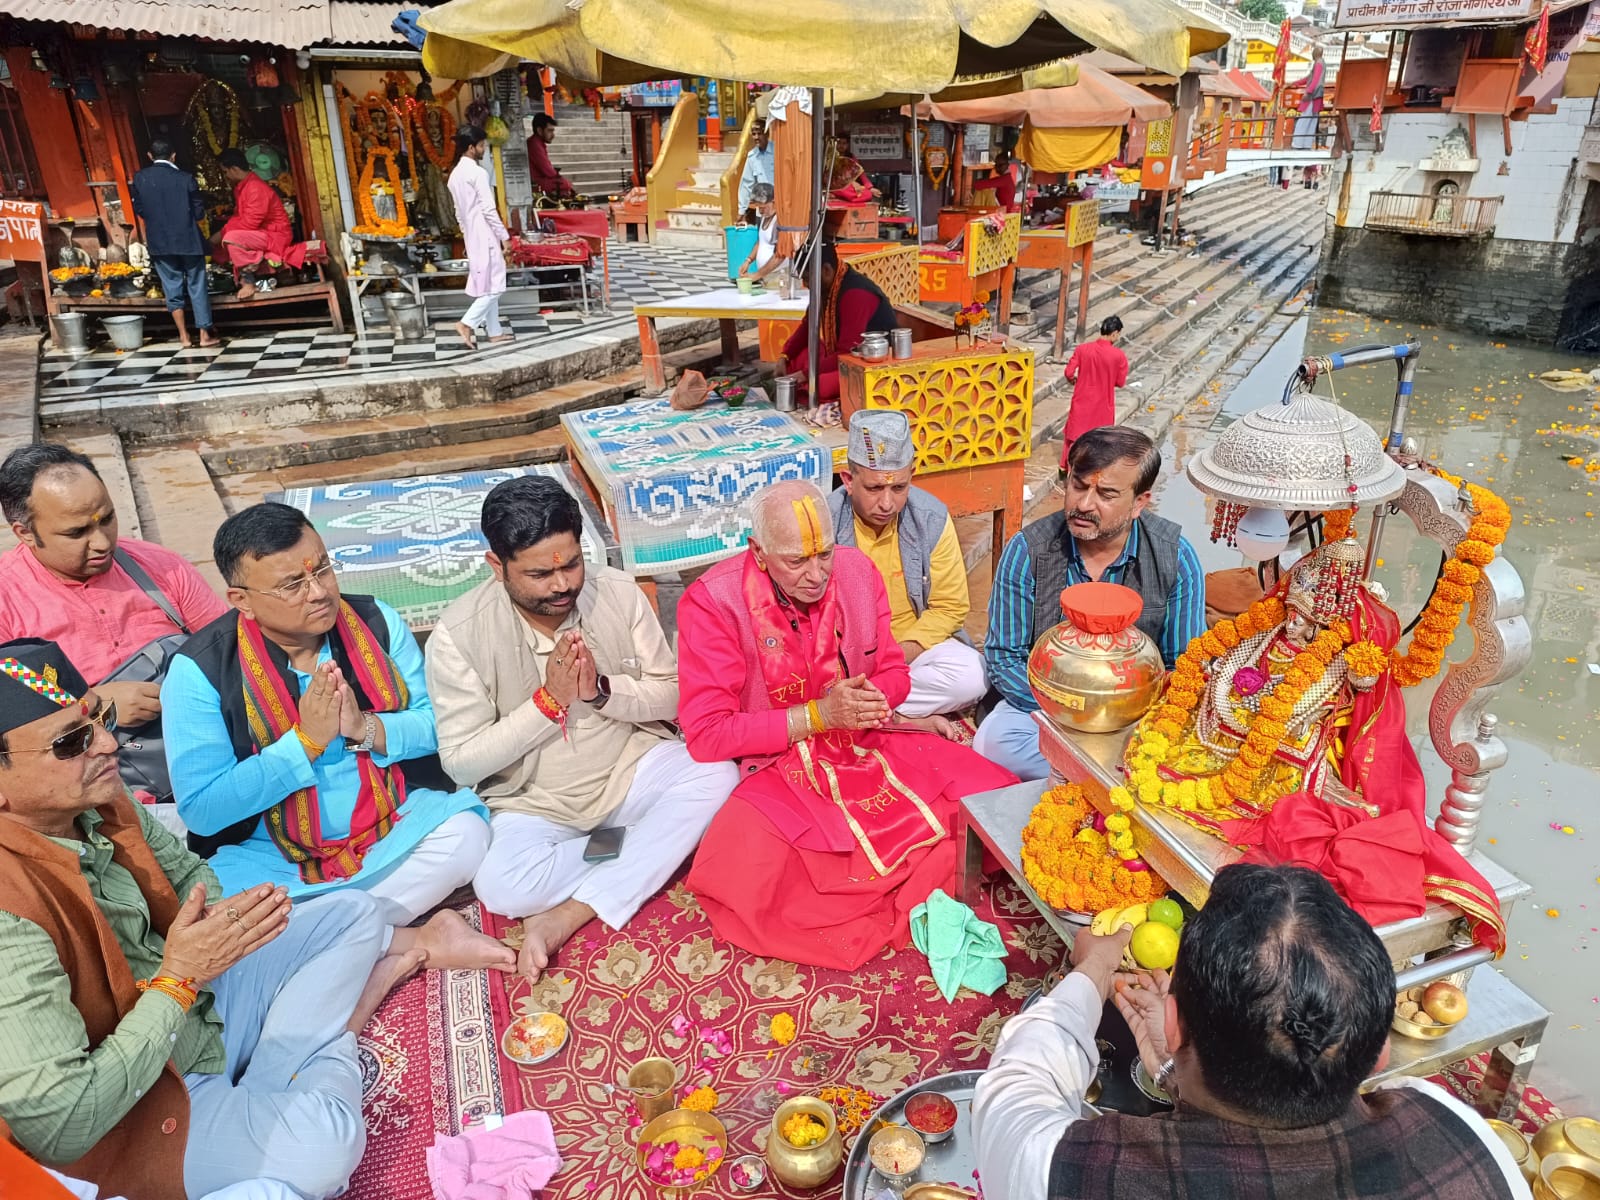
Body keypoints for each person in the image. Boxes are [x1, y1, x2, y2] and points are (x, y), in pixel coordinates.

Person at [0, 638, 438, 1200]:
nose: (108, 744)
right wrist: (180, 978)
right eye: (72, 742)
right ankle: (336, 1040)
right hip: (131, 1104)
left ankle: (266, 1079)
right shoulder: (9, 916)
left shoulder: (99, 798)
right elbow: (62, 1125)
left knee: (352, 914)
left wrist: (217, 924)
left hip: (191, 1008)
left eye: (99, 718)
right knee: (326, 1150)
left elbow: (190, 878)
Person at [972, 864, 1530, 1199]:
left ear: (1172, 1020)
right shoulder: (1465, 1139)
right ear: (1379, 1049)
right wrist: (1174, 1070)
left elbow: (1015, 1085)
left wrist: (1093, 967)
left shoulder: (1066, 1172)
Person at [160, 503, 514, 973]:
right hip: (271, 858)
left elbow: (439, 723)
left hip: (392, 828)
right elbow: (202, 809)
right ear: (241, 600)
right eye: (292, 585)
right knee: (222, 909)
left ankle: (335, 936)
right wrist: (303, 744)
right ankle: (397, 937)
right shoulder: (198, 672)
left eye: (323, 568)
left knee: (468, 835)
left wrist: (365, 729)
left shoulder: (375, 620)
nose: (319, 592)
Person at [678, 481, 1016, 970]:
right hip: (779, 760)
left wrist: (877, 698)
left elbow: (896, 672)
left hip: (865, 740)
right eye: (797, 561)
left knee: (993, 796)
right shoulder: (714, 602)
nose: (816, 575)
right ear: (759, 552)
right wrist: (817, 715)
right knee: (745, 874)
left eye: (823, 554)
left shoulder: (856, 572)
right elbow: (708, 734)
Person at [425, 476, 737, 981]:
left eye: (571, 564)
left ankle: (575, 910)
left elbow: (673, 692)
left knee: (719, 775)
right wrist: (547, 703)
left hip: (629, 769)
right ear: (496, 567)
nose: (562, 584)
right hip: (538, 802)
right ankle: (647, 840)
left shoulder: (617, 592)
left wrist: (601, 692)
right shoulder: (458, 636)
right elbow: (461, 763)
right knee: (503, 886)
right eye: (538, 574)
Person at [975, 427, 1205, 780]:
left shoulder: (1175, 556)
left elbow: (1185, 665)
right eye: (1078, 486)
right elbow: (1005, 657)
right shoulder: (1028, 549)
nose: (1084, 504)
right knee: (994, 743)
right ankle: (1111, 778)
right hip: (1048, 711)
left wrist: (1119, 716)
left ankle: (1093, 775)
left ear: (1139, 503)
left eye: (1106, 494)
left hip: (1134, 717)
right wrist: (1076, 714)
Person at [0, 443, 228, 794]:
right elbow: (12, 725)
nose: (102, 542)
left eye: (107, 519)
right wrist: (93, 706)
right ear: (25, 533)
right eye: (77, 533)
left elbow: (232, 651)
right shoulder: (6, 601)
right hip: (83, 791)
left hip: (206, 757)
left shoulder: (161, 569)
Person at [828, 410, 987, 717]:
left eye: (899, 488)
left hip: (910, 650)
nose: (887, 503)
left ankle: (862, 712)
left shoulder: (930, 517)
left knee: (973, 675)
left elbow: (949, 607)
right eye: (874, 488)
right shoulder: (826, 522)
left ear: (912, 475)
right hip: (844, 655)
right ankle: (883, 710)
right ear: (848, 480)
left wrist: (891, 663)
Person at [778, 244, 900, 403]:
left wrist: (805, 374)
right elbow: (808, 326)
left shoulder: (856, 294)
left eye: (807, 278)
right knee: (799, 358)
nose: (806, 285)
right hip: (841, 356)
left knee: (818, 385)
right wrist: (784, 356)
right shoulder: (826, 286)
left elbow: (846, 352)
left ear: (826, 270)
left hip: (866, 363)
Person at [129, 139, 218, 348]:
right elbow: (198, 212)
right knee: (197, 285)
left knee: (171, 287)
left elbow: (140, 210)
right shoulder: (186, 178)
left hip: (160, 242)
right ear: (173, 156)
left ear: (150, 156)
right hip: (189, 241)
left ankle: (184, 336)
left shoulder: (140, 179)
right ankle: (205, 335)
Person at [448, 124, 512, 350]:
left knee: (487, 284)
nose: (484, 148)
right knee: (495, 285)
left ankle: (494, 332)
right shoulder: (477, 173)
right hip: (485, 233)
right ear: (471, 147)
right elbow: (488, 209)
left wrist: (467, 236)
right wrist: (504, 236)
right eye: (482, 145)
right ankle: (467, 323)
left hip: (472, 235)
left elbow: (458, 213)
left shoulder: (455, 175)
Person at [214, 148, 305, 302]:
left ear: (234, 169)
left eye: (225, 172)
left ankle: (249, 282)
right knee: (222, 243)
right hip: (261, 234)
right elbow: (238, 218)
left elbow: (249, 223)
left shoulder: (255, 188)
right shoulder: (243, 187)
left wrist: (221, 235)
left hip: (276, 236)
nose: (226, 176)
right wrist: (216, 238)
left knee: (231, 238)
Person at [1059, 315, 1129, 470]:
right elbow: (1120, 382)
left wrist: (1073, 380)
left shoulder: (1082, 349)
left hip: (1082, 400)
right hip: (1103, 404)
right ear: (1114, 333)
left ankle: (1067, 471)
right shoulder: (1118, 356)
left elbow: (1069, 372)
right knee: (1099, 441)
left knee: (1074, 438)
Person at [737, 182, 784, 283]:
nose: (761, 211)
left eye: (763, 208)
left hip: (779, 277)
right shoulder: (764, 217)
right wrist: (748, 261)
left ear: (774, 202)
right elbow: (761, 242)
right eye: (759, 208)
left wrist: (756, 275)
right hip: (766, 276)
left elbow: (780, 255)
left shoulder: (780, 221)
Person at [527, 113, 575, 199]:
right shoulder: (534, 144)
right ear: (539, 131)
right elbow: (549, 172)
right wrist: (564, 182)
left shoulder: (537, 143)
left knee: (565, 185)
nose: (553, 135)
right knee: (565, 184)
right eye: (549, 131)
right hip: (537, 183)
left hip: (540, 181)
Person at [738, 121, 774, 216]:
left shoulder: (777, 152)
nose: (756, 137)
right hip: (762, 210)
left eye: (759, 133)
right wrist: (742, 211)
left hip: (777, 209)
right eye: (754, 134)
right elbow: (746, 184)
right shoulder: (752, 157)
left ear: (767, 133)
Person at [1294, 46, 1327, 152]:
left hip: (1313, 94)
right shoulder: (1320, 63)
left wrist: (1308, 92)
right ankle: (1306, 143)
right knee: (1312, 119)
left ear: (1316, 53)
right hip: (1318, 93)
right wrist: (1296, 83)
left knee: (1305, 118)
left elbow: (1315, 79)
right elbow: (1310, 78)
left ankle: (1298, 143)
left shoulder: (1318, 63)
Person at [828, 134, 877, 204]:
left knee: (867, 194)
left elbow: (860, 173)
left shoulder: (851, 157)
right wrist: (853, 183)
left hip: (847, 186)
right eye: (839, 143)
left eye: (844, 143)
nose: (841, 146)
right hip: (835, 185)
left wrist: (869, 187)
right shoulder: (830, 156)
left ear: (847, 145)